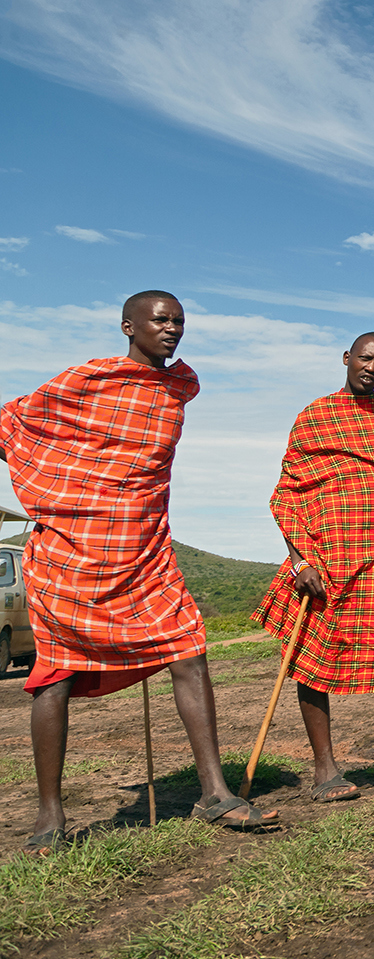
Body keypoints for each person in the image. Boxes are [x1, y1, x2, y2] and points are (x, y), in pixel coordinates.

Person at [0, 291, 276, 851]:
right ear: (129, 325)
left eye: (179, 321)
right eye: (160, 320)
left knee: (189, 649)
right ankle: (49, 818)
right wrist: (65, 487)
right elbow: (12, 425)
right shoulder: (89, 381)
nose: (172, 329)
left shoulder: (174, 389)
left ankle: (215, 793)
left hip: (145, 553)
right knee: (54, 676)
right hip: (70, 555)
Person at [254, 332, 374, 801]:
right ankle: (325, 770)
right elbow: (287, 492)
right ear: (347, 359)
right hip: (324, 555)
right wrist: (300, 557)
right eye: (365, 358)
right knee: (312, 657)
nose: (371, 367)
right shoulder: (314, 416)